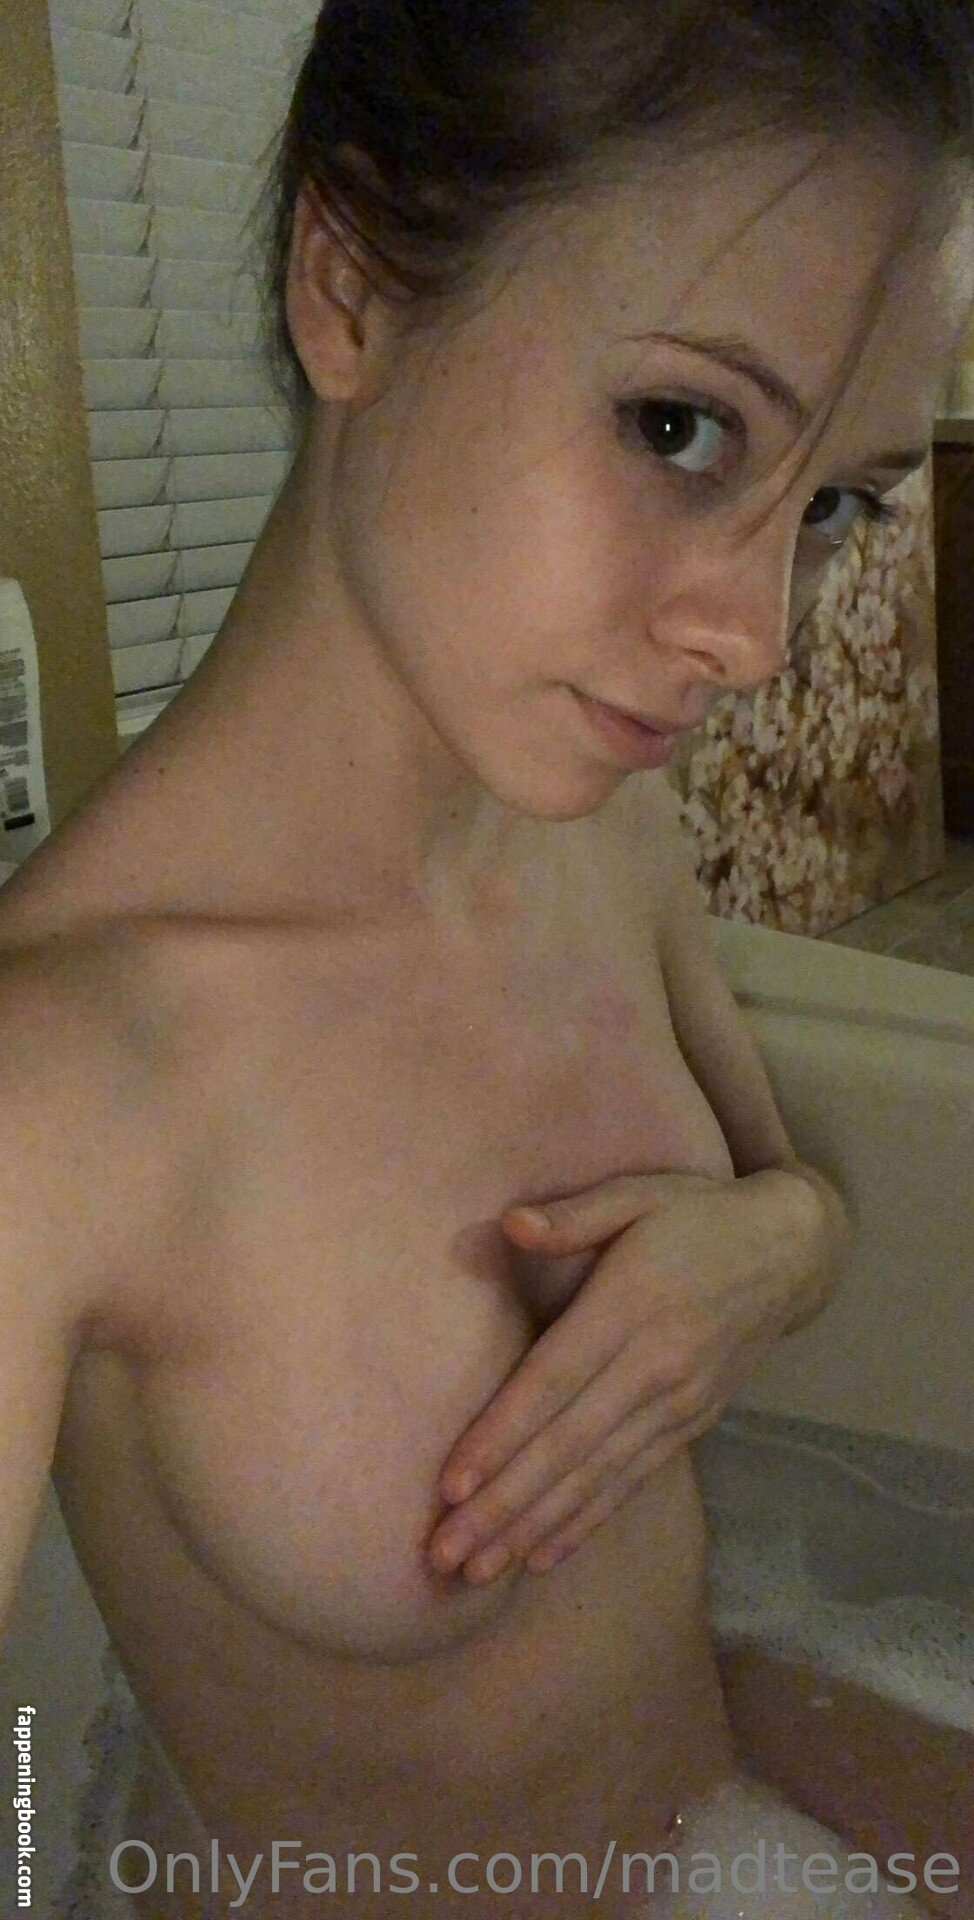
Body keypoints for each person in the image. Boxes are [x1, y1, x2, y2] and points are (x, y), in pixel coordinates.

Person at [2, 2, 971, 1914]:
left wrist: (772, 1247)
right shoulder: (62, 1087)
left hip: (712, 1800)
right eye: (678, 427)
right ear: (350, 282)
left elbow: (789, 1200)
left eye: (833, 506)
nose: (754, 635)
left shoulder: (597, 839)